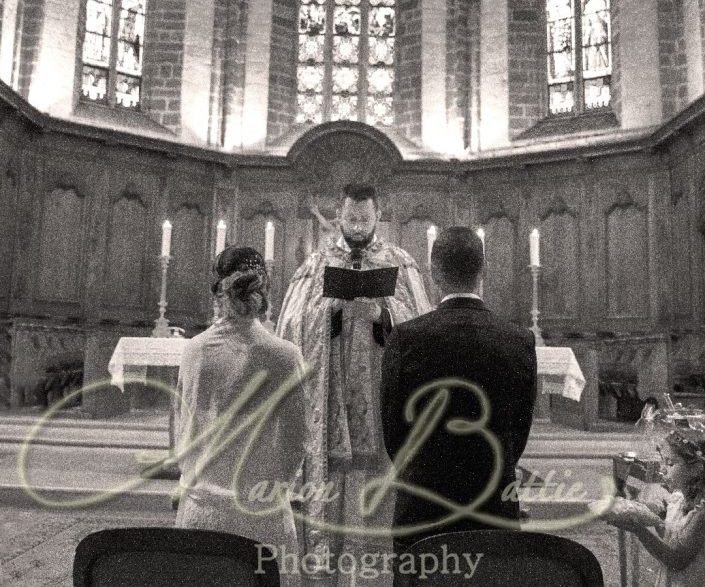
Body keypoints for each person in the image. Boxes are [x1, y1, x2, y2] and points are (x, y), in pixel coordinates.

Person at [276, 183, 431, 579]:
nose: (357, 226)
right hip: (332, 392)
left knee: (381, 465)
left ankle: (380, 563)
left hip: (382, 391)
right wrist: (329, 311)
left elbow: (422, 327)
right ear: (339, 217)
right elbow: (291, 324)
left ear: (378, 215)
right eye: (350, 218)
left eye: (364, 218)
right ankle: (330, 556)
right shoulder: (317, 263)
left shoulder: (400, 262)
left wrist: (386, 314)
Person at [380, 226, 537, 549]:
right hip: (493, 506)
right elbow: (518, 431)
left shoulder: (406, 339)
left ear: (433, 272)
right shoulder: (519, 340)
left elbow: (393, 431)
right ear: (484, 269)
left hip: (423, 509)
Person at [174, 246, 307, 573]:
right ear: (264, 293)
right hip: (262, 516)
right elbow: (296, 442)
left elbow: (183, 437)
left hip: (202, 513)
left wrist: (195, 480)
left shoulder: (194, 351)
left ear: (218, 293)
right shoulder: (285, 355)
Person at [599, 428, 705, 586]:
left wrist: (638, 528)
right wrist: (644, 514)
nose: (662, 469)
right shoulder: (678, 500)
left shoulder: (701, 513)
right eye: (662, 462)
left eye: (670, 464)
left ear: (696, 468)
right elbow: (670, 539)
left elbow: (677, 559)